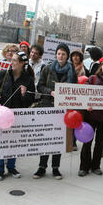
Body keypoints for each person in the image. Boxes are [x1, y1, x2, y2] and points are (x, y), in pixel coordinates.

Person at [33, 43, 78, 180]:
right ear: (56, 55)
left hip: (62, 109)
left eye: (63, 54)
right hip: (47, 106)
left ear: (67, 56)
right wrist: (50, 91)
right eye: (59, 53)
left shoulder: (72, 71)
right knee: (46, 138)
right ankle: (41, 167)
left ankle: (55, 168)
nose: (61, 56)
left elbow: (75, 89)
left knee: (58, 139)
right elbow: (40, 86)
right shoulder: (47, 69)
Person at [0, 52, 35, 180]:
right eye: (12, 59)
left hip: (17, 115)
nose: (12, 62)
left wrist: (24, 94)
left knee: (14, 143)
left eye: (15, 60)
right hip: (2, 113)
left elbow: (30, 101)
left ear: (22, 63)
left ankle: (11, 167)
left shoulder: (28, 79)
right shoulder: (3, 74)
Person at [78, 59, 103, 176]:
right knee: (87, 142)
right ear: (101, 67)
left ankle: (96, 166)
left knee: (100, 143)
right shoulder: (92, 79)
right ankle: (84, 167)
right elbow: (83, 94)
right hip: (91, 116)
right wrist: (87, 104)